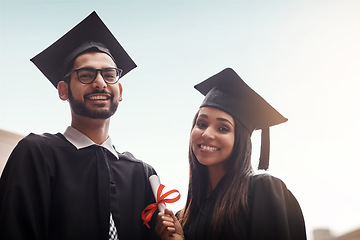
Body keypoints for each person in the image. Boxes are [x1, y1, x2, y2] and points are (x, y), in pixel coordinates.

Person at [0, 11, 160, 240]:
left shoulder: (141, 174)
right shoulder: (37, 154)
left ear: (120, 91)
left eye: (109, 74)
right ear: (63, 90)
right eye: (86, 75)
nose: (99, 83)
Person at [155, 68, 307, 240]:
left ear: (240, 140)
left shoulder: (263, 192)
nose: (206, 134)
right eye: (202, 124)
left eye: (222, 128)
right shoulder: (184, 217)